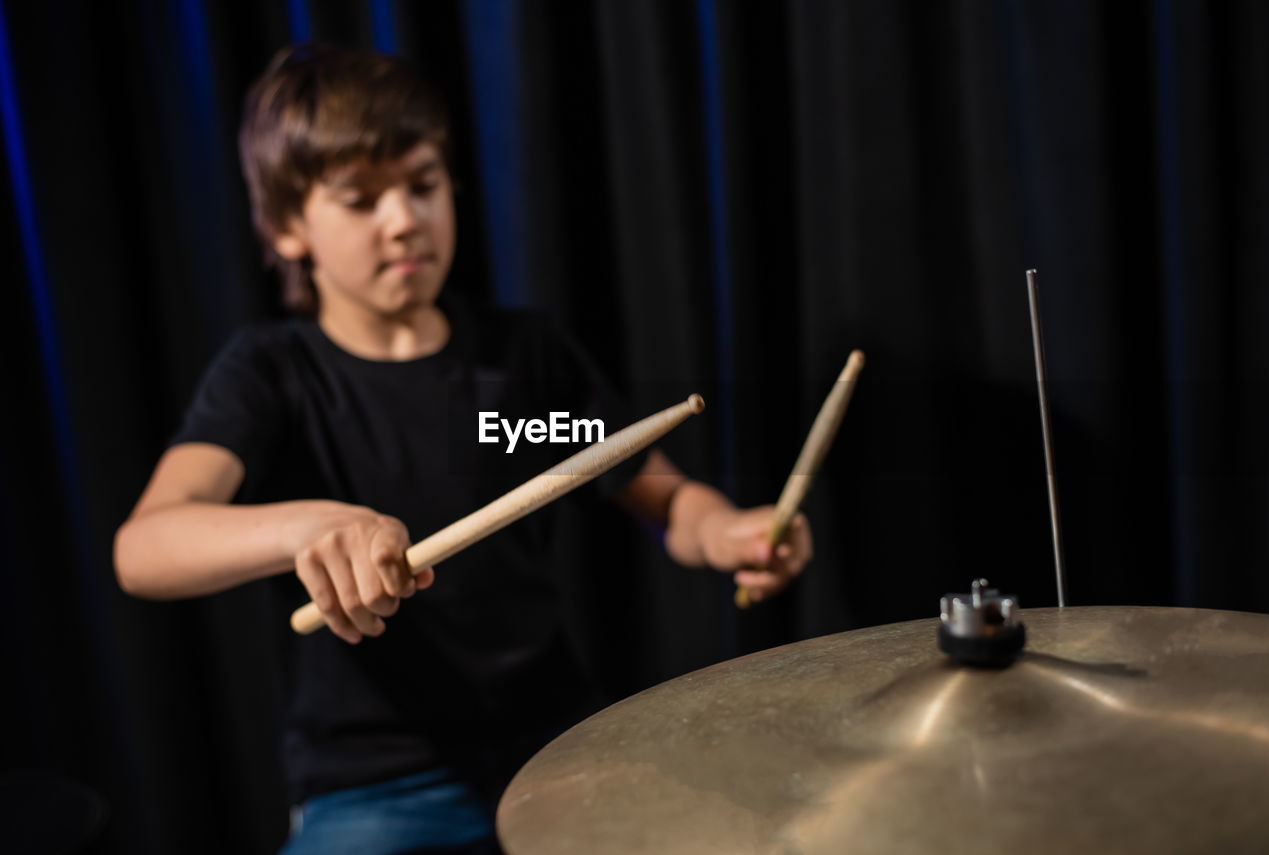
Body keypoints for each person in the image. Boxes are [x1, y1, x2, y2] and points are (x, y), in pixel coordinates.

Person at [114, 43, 811, 854]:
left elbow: (657, 492)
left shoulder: (515, 370)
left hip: (558, 746)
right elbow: (145, 545)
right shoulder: (275, 377)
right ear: (286, 226)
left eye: (422, 184)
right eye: (360, 198)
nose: (404, 218)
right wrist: (304, 527)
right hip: (376, 781)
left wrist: (721, 529)